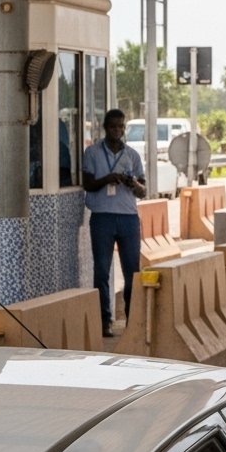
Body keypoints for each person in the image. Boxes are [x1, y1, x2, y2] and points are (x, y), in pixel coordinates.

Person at [82, 109, 147, 335]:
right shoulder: (92, 153)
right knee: (101, 271)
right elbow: (88, 184)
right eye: (113, 127)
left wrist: (132, 184)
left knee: (132, 272)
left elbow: (143, 190)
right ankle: (104, 321)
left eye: (121, 127)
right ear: (105, 128)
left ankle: (133, 321)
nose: (117, 131)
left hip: (128, 218)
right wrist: (106, 179)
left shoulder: (132, 155)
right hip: (102, 217)